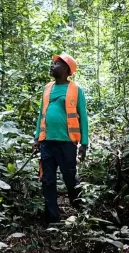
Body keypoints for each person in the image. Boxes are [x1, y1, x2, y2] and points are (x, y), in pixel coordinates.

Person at [33, 53, 89, 224]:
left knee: (70, 179)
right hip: (47, 142)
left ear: (66, 69)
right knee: (48, 181)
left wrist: (84, 143)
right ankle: (52, 220)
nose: (52, 66)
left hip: (67, 143)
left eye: (56, 64)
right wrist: (37, 138)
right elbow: (41, 114)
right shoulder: (48, 88)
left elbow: (83, 117)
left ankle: (82, 212)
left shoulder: (75, 89)